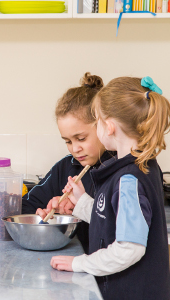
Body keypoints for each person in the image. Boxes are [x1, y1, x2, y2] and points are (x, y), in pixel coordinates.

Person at [51, 76, 170, 299]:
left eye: (96, 122)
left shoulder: (129, 179)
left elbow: (129, 248)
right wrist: (82, 202)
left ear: (109, 127)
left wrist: (81, 263)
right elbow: (115, 220)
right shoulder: (139, 166)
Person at [22, 73, 113, 252]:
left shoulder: (121, 168)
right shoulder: (67, 166)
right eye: (68, 141)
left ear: (103, 126)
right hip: (73, 267)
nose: (75, 149)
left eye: (81, 138)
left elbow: (115, 223)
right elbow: (26, 207)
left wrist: (80, 208)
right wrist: (46, 215)